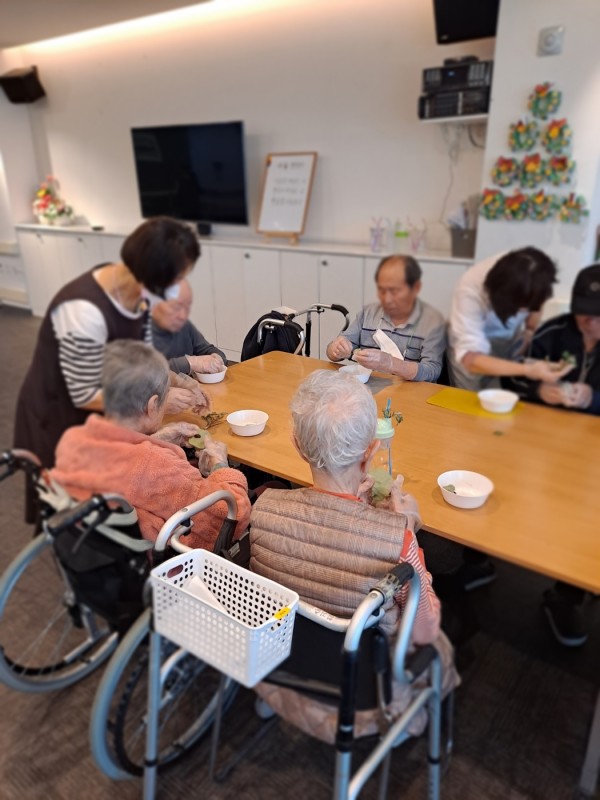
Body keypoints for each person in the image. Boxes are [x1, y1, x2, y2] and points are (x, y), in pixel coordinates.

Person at [249, 370, 457, 741]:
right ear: (371, 451)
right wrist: (408, 530)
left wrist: (358, 508)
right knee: (439, 643)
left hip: (281, 670)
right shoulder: (398, 540)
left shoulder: (263, 509)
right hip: (364, 695)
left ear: (297, 445)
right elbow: (424, 631)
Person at [14, 216, 207, 479]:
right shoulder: (83, 311)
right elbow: (82, 394)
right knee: (71, 498)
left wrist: (181, 381)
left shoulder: (136, 294)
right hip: (61, 422)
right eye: (172, 280)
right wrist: (156, 402)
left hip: (105, 423)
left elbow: (140, 363)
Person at [51, 340, 251, 549]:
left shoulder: (72, 441)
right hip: (168, 561)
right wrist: (220, 464)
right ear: (153, 404)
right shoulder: (156, 465)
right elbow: (231, 517)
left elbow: (122, 458)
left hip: (92, 554)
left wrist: (157, 439)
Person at [505, 264, 600, 646]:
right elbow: (513, 380)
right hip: (542, 443)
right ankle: (476, 561)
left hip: (592, 451)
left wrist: (593, 398)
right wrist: (537, 391)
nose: (589, 324)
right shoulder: (553, 332)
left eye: (597, 316)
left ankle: (567, 594)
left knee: (587, 514)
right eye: (584, 314)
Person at [447, 247, 572, 391]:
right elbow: (470, 360)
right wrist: (528, 370)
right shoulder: (469, 291)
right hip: (471, 348)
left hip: (507, 340)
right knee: (469, 396)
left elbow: (538, 302)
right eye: (522, 308)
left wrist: (530, 330)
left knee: (504, 390)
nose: (524, 312)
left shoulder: (530, 271)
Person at [326, 255, 446, 382]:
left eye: (395, 291)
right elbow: (332, 352)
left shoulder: (432, 322)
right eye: (382, 290)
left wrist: (391, 363)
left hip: (409, 391)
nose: (387, 299)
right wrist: (336, 350)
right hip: (369, 387)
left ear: (415, 288)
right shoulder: (369, 313)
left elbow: (432, 371)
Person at [151, 278, 227, 375]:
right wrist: (191, 363)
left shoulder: (184, 325)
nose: (183, 315)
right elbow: (147, 374)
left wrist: (217, 358)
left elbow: (207, 349)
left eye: (186, 307)